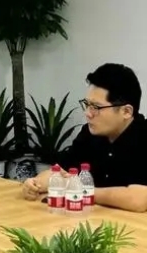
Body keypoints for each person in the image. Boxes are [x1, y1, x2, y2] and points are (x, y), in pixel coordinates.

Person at [22, 63, 147, 213]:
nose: (88, 113)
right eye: (87, 105)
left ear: (126, 111)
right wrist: (35, 184)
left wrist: (81, 190)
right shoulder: (90, 133)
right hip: (90, 220)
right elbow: (58, 172)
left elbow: (139, 200)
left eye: (96, 107)